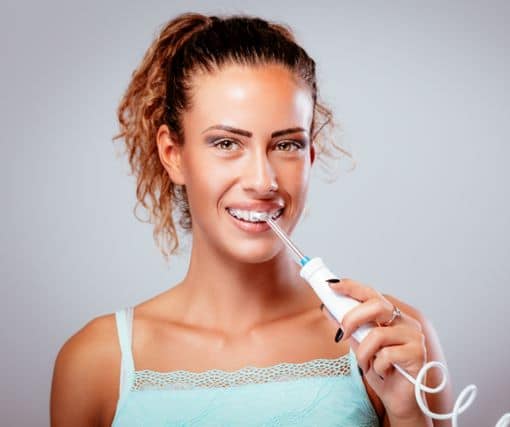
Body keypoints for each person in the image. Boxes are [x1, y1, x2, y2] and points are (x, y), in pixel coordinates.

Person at [50, 12, 454, 427]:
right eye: (227, 143)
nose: (263, 181)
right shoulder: (96, 363)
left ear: (310, 157)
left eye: (286, 145)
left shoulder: (390, 341)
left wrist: (409, 414)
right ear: (173, 155)